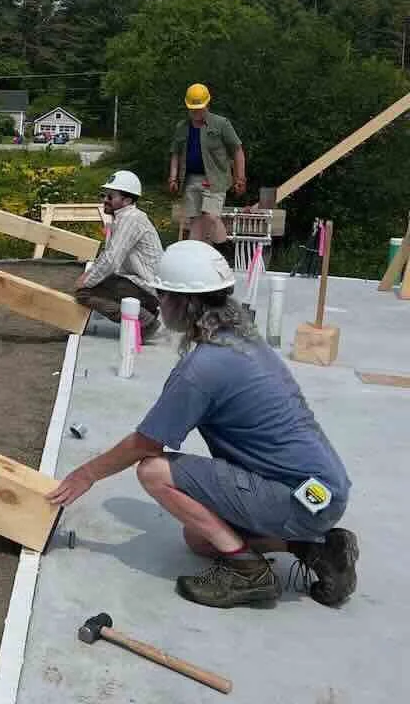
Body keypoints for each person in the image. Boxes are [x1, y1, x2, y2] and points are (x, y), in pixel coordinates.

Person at [48, 241, 357, 610]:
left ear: (184, 302)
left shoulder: (204, 368)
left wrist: (85, 475)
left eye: (162, 295)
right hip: (323, 491)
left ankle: (247, 572)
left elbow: (146, 444)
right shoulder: (243, 339)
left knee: (153, 471)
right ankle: (318, 548)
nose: (159, 303)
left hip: (297, 497)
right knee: (200, 540)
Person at [74, 170, 163, 340]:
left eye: (110, 197)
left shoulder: (131, 219)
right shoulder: (123, 218)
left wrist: (86, 281)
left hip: (148, 289)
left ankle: (144, 322)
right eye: (104, 195)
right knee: (94, 281)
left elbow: (111, 260)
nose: (105, 200)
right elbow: (108, 255)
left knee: (84, 293)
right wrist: (89, 275)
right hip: (144, 286)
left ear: (127, 200)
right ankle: (146, 311)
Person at [168, 83, 246, 252]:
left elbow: (237, 150)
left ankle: (225, 252)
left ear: (207, 104)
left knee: (211, 216)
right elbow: (175, 153)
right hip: (190, 180)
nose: (196, 112)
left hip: (215, 179)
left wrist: (240, 178)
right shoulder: (182, 127)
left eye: (199, 108)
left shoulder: (221, 124)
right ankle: (196, 256)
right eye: (193, 109)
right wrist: (173, 178)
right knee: (195, 222)